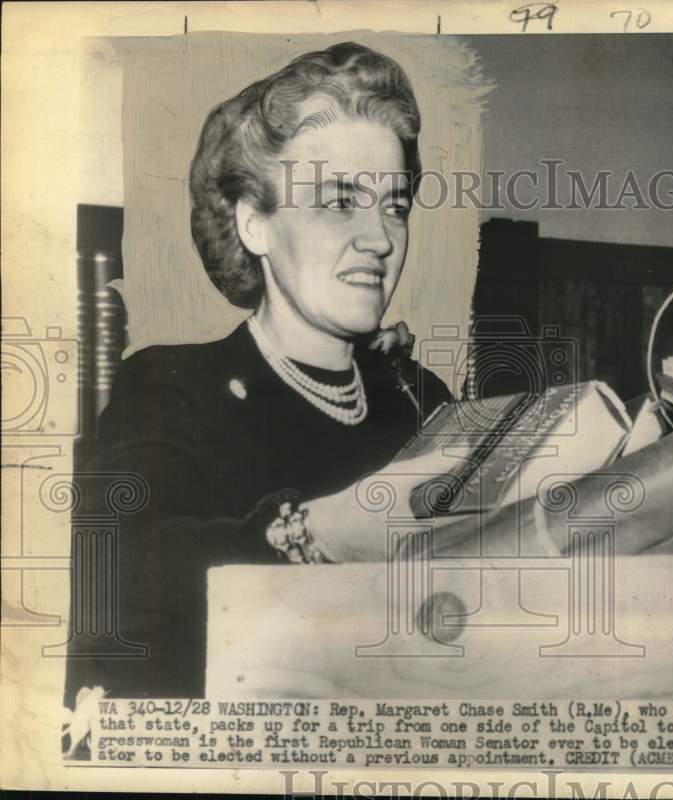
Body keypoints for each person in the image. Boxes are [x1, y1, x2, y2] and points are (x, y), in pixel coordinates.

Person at [65, 43, 454, 701]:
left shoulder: (418, 400)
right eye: (339, 202)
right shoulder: (170, 389)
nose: (382, 238)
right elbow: (112, 584)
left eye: (395, 205)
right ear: (255, 226)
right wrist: (318, 533)